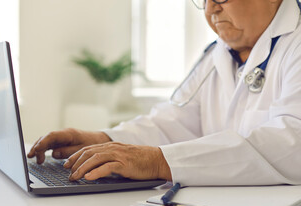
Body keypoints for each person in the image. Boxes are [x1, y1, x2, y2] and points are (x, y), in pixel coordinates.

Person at [28, 0, 301, 186]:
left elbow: (292, 143)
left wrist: (159, 162)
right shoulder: (215, 55)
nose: (210, 9)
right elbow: (174, 122)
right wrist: (103, 140)